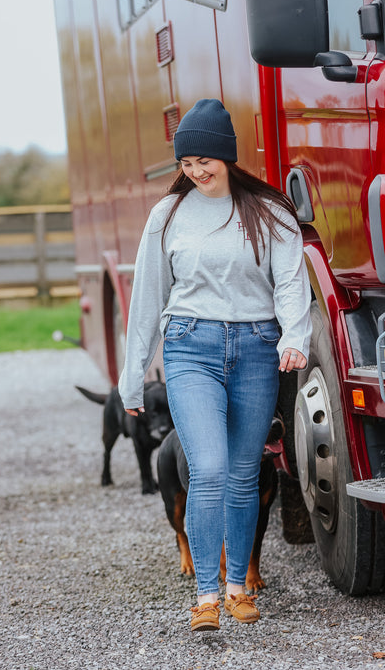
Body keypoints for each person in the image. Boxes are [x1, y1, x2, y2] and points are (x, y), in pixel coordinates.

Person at [118, 99, 312, 631]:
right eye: (186, 163)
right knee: (207, 469)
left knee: (244, 474)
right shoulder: (168, 215)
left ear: (228, 156)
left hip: (255, 348)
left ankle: (236, 590)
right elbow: (148, 299)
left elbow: (292, 282)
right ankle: (205, 594)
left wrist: (294, 335)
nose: (196, 171)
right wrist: (131, 377)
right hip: (189, 346)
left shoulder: (269, 212)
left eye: (205, 160)